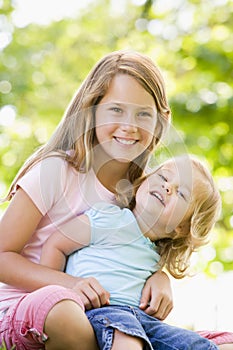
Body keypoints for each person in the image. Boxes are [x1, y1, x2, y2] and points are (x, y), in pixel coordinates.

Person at [0, 50, 173, 350]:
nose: (130, 126)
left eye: (143, 114)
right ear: (91, 110)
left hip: (111, 316)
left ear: (160, 121)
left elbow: (138, 253)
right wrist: (69, 286)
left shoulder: (144, 192)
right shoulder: (55, 171)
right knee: (66, 312)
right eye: (116, 110)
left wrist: (160, 276)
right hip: (30, 307)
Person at [40, 154, 233, 350]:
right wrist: (52, 296)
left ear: (182, 227)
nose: (167, 187)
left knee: (202, 346)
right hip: (103, 311)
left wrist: (161, 276)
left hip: (144, 323)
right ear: (144, 181)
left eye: (181, 194)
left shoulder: (157, 255)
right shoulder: (109, 218)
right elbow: (55, 245)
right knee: (129, 342)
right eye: (164, 177)